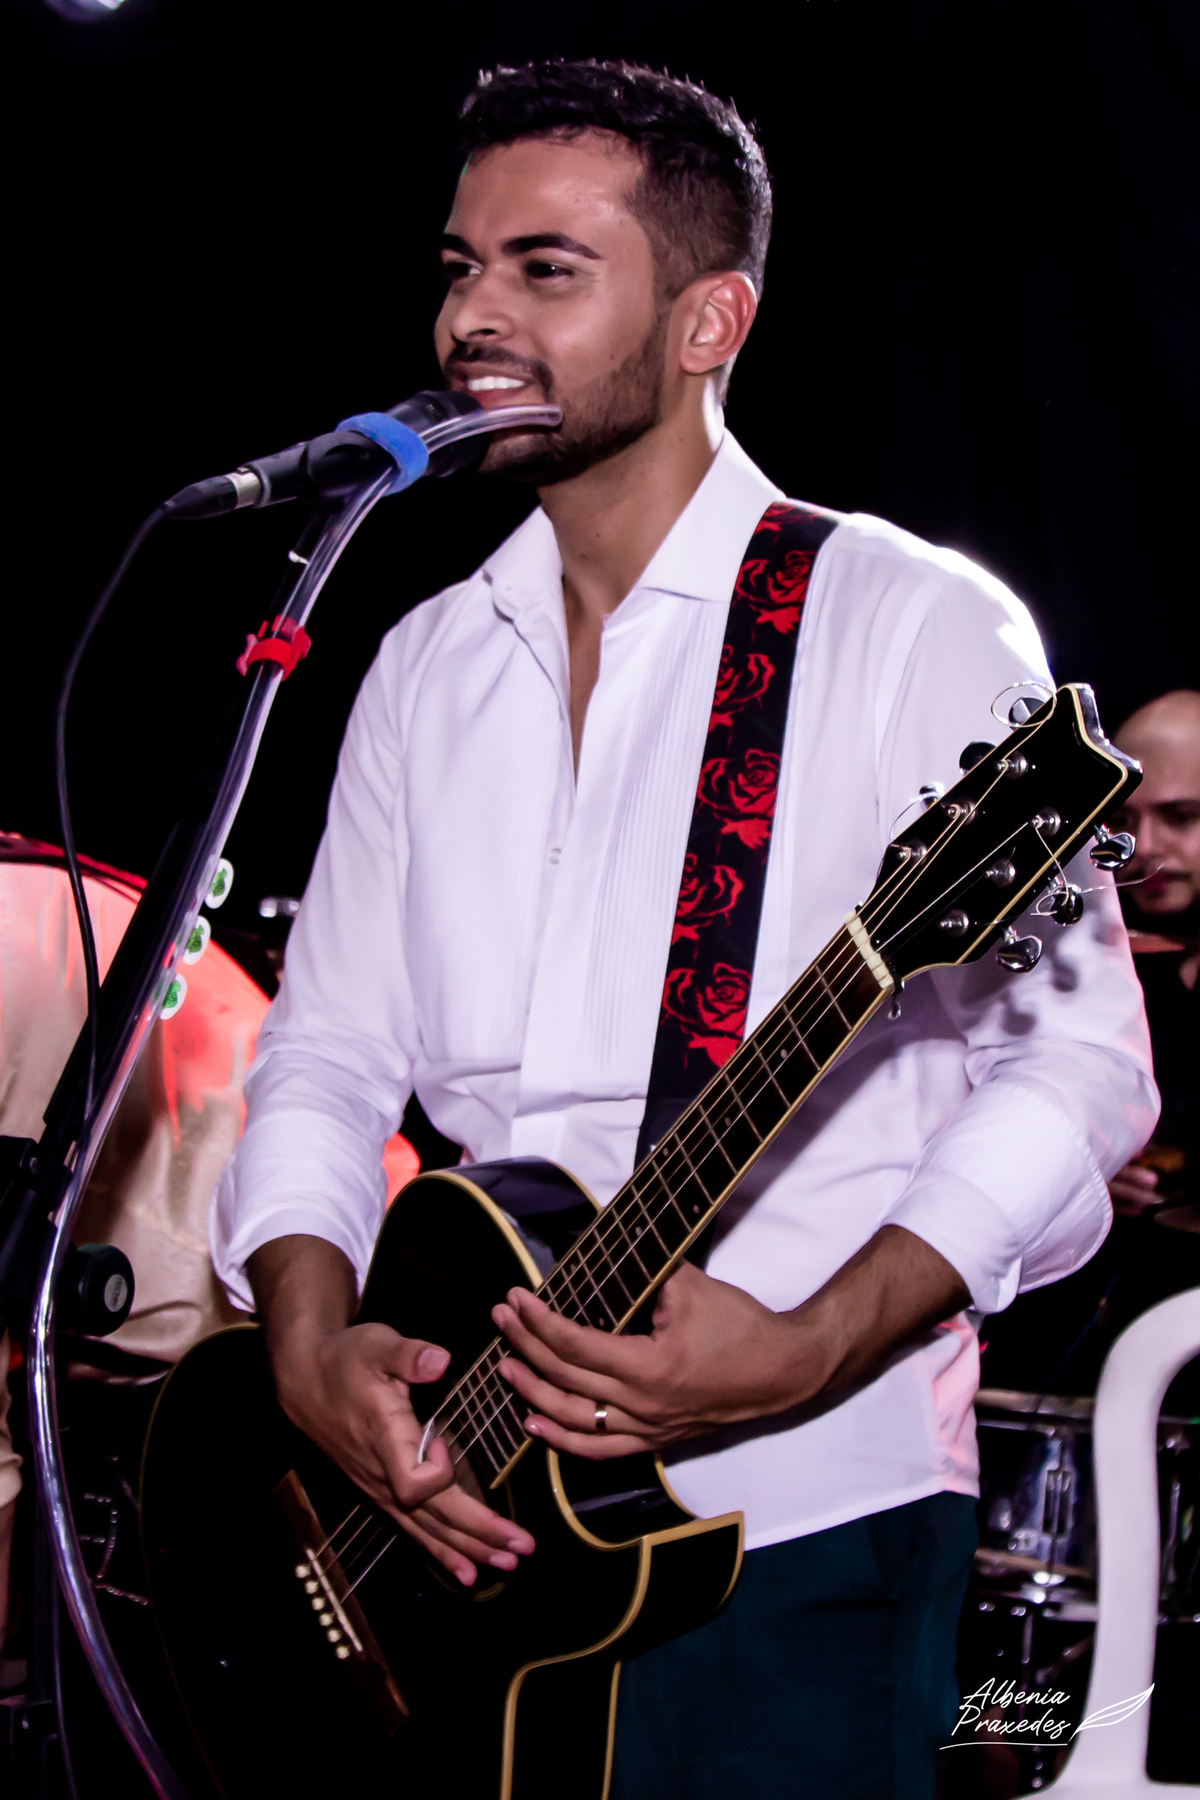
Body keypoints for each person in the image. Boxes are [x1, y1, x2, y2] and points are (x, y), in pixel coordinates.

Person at [210, 61, 1156, 1799]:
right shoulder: (425, 662)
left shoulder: (904, 621)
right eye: (460, 265)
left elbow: (1079, 1071)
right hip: (452, 1518)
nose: (472, 317)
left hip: (798, 1526)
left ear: (710, 318)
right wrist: (306, 1341)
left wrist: (819, 1340)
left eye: (546, 269)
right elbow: (326, 1055)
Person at [1106, 691, 1200, 1218]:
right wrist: (1080, 1169)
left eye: (1180, 817)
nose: (1141, 847)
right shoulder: (1087, 967)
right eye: (1122, 819)